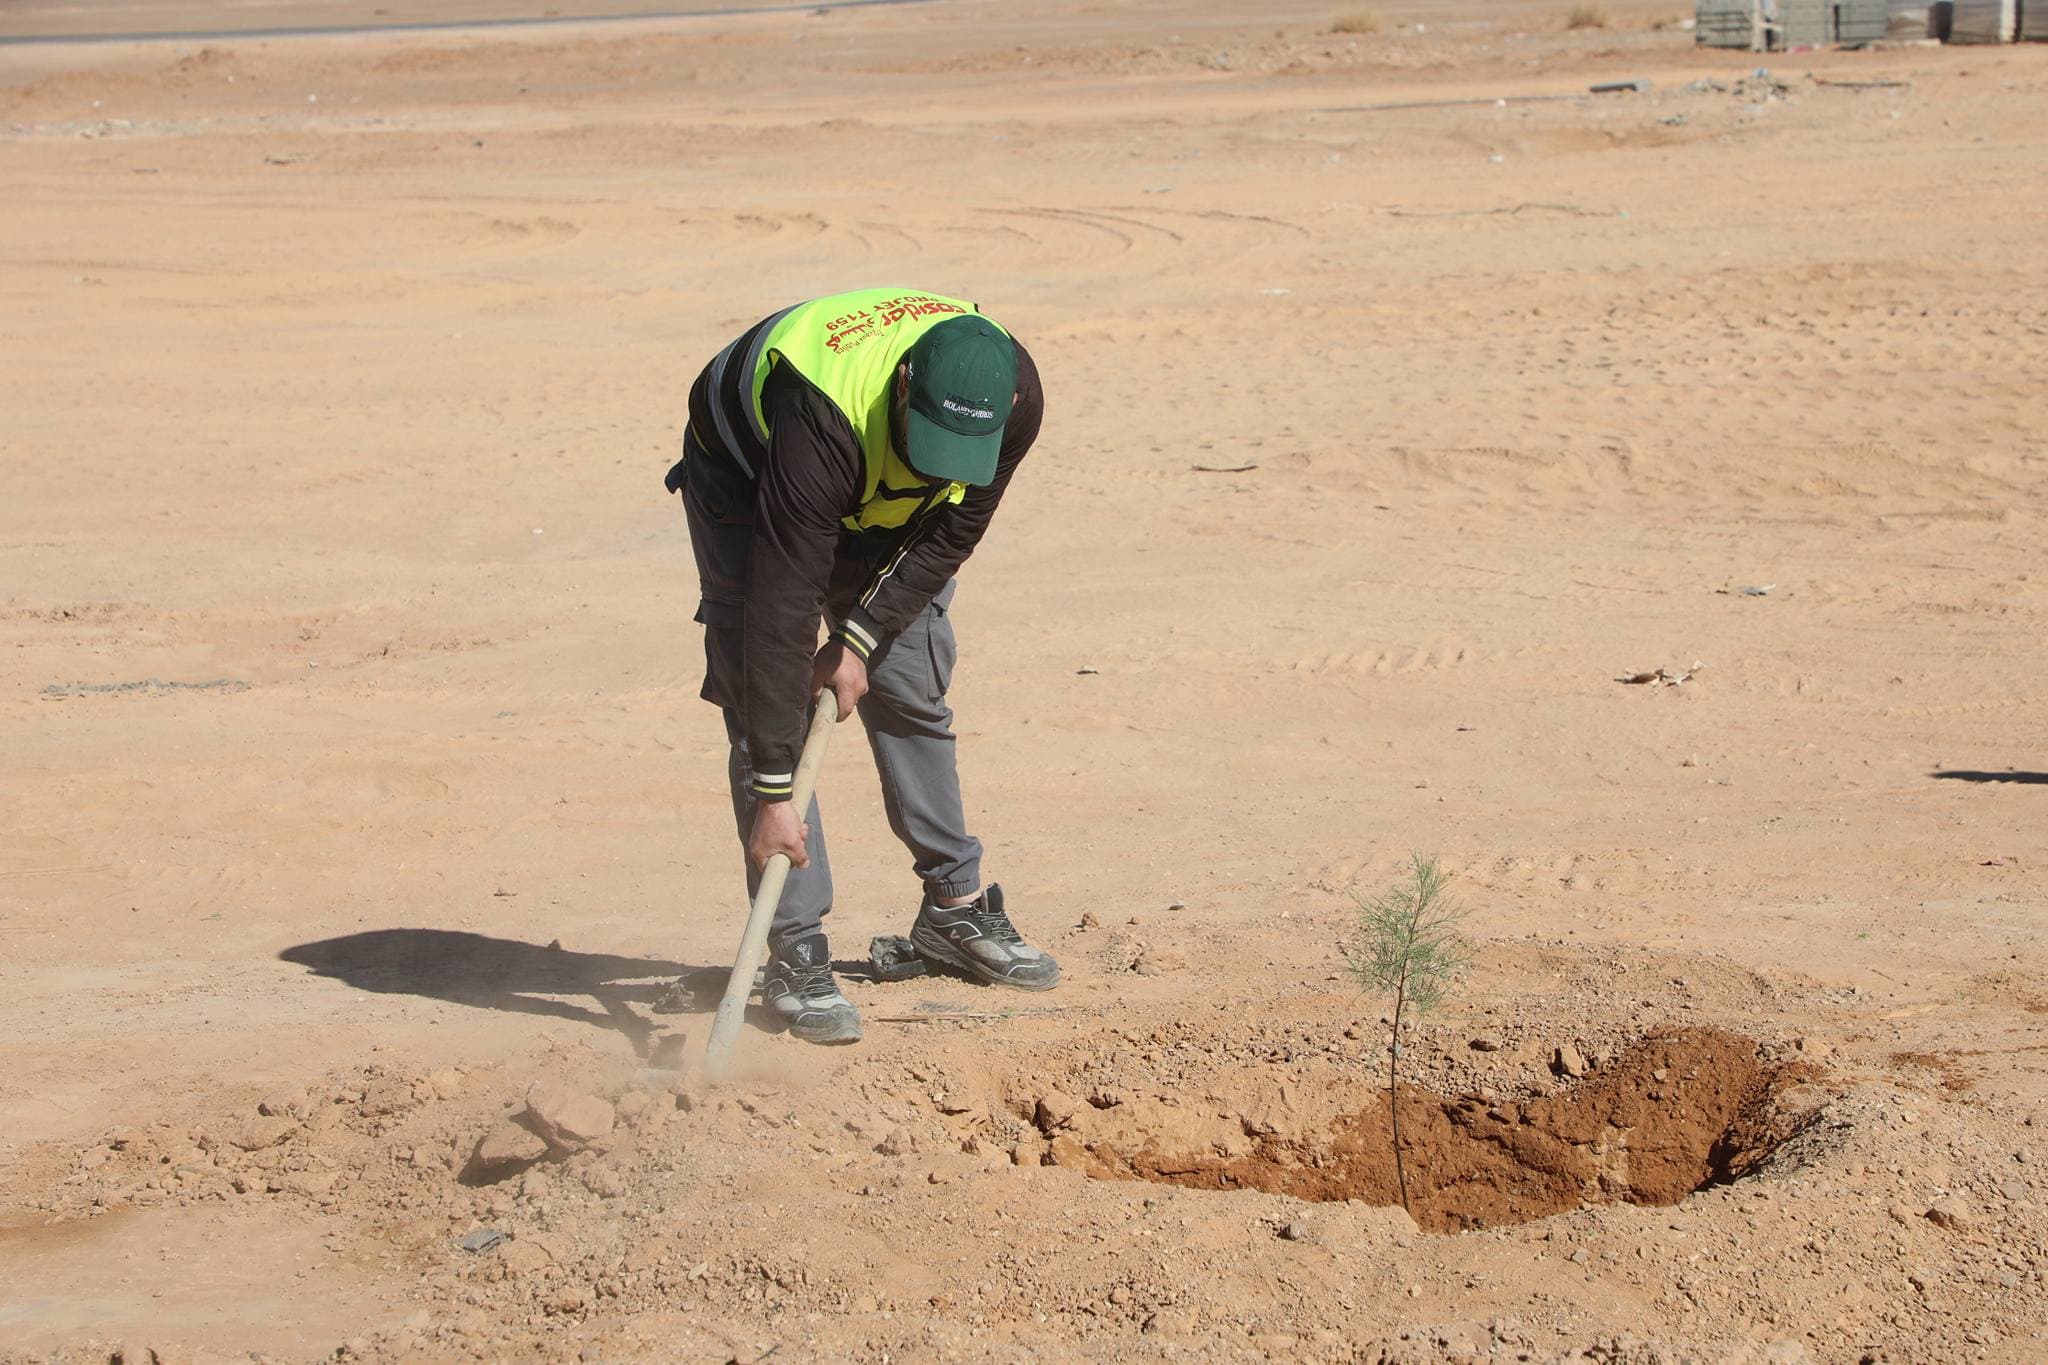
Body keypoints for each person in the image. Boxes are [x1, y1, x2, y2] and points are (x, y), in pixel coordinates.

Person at [667, 288, 1061, 1045]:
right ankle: (795, 946)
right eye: (929, 438)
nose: (936, 462)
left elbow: (953, 531)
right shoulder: (821, 416)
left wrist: (861, 636)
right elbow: (781, 614)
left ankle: (953, 908)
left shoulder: (1014, 399)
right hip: (751, 472)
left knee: (908, 674)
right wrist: (774, 793)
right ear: (906, 382)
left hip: (880, 494)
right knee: (765, 700)